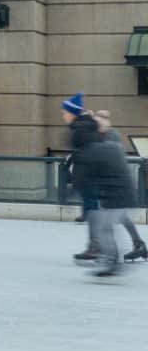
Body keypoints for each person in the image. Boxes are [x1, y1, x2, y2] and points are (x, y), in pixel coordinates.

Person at [76, 124, 139, 277]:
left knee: (104, 228)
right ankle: (115, 258)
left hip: (117, 195)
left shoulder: (96, 150)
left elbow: (89, 175)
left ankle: (113, 261)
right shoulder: (111, 148)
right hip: (120, 194)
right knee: (106, 225)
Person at [94, 110, 147, 262]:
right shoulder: (102, 136)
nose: (99, 124)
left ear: (106, 121)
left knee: (106, 218)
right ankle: (138, 245)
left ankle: (111, 253)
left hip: (115, 184)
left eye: (101, 121)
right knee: (119, 217)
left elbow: (109, 160)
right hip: (110, 184)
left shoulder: (111, 136)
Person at [62, 93, 105, 260]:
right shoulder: (84, 126)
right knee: (95, 212)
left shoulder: (80, 129)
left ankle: (97, 246)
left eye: (64, 112)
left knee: (94, 212)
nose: (63, 115)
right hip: (89, 177)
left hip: (89, 178)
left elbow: (86, 154)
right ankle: (98, 246)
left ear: (72, 112)